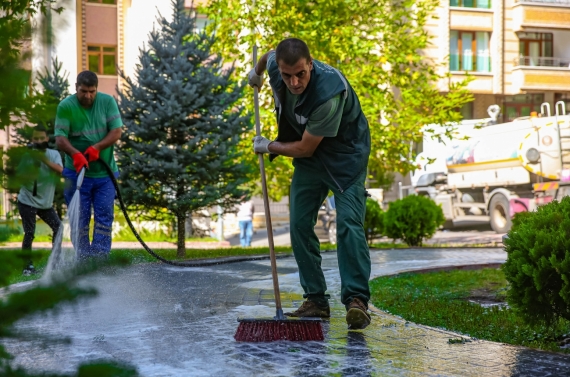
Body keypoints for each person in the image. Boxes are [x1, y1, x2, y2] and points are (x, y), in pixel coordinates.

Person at [248, 38, 372, 329]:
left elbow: (305, 148)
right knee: (299, 224)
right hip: (311, 158)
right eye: (287, 74)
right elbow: (267, 56)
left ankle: (356, 300)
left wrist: (270, 146)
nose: (294, 82)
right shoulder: (279, 67)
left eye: (300, 74)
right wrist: (256, 73)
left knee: (348, 225)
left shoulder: (328, 92)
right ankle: (316, 300)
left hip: (345, 157)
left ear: (310, 65)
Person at [55, 71, 123, 259]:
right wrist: (75, 153)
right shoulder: (66, 107)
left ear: (96, 89)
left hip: (105, 175)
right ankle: (84, 260)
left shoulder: (107, 102)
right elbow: (60, 139)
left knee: (104, 217)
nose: (88, 96)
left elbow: (117, 131)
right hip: (76, 174)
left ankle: (99, 260)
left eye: (92, 91)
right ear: (76, 87)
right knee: (80, 220)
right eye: (83, 91)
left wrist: (97, 147)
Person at [17, 126, 63, 275]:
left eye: (41, 138)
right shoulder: (27, 156)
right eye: (35, 139)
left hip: (45, 204)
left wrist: (43, 160)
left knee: (58, 227)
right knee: (29, 232)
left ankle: (55, 261)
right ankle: (27, 266)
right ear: (32, 140)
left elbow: (60, 170)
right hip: (27, 200)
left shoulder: (53, 154)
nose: (38, 141)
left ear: (46, 139)